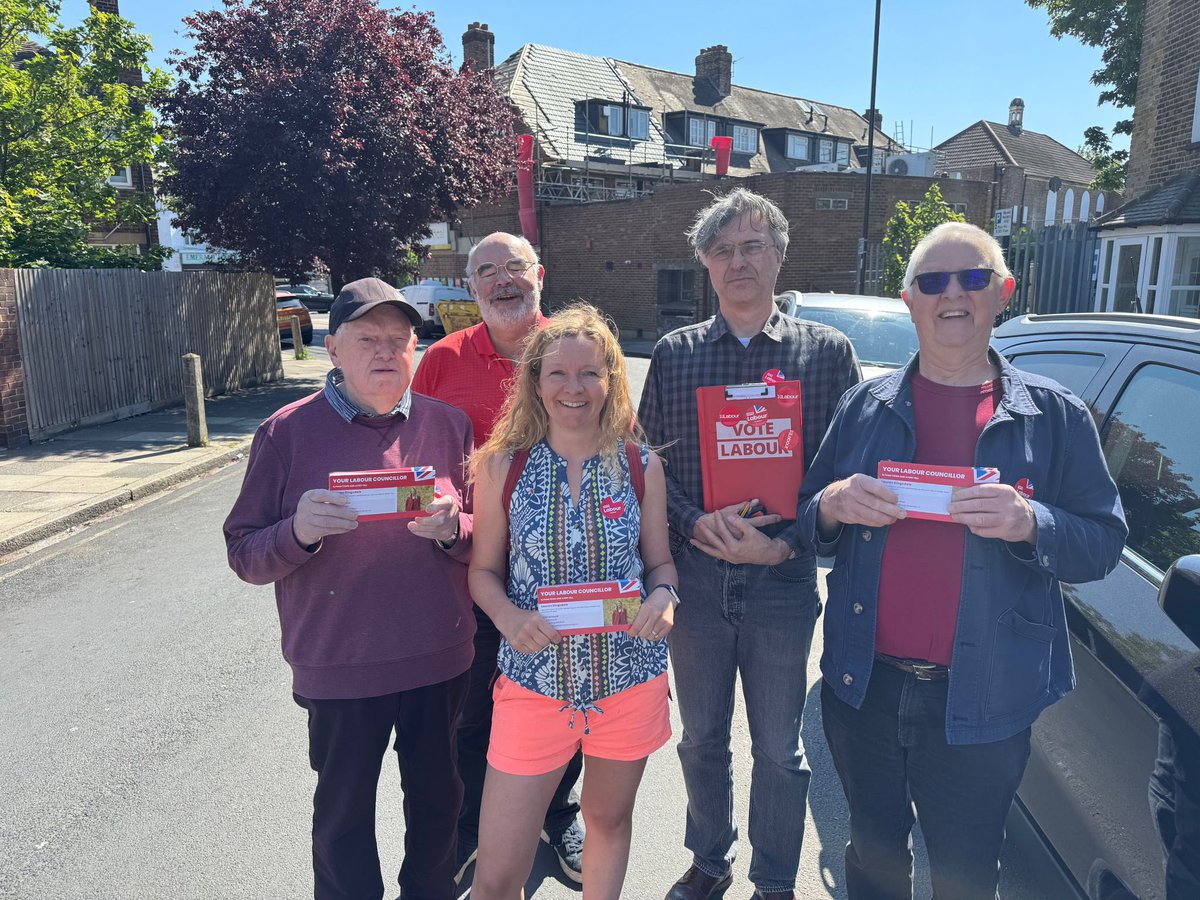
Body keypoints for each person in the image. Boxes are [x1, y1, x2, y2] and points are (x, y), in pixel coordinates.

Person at [797, 221, 1128, 899]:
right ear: (909, 299)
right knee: (872, 854)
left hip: (984, 693)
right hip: (864, 688)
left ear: (1002, 292)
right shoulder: (863, 405)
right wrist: (831, 502)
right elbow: (806, 524)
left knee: (966, 874)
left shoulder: (1055, 416)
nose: (954, 293)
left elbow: (1104, 540)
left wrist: (1032, 521)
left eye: (973, 278)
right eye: (933, 281)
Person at [638, 187, 861, 900]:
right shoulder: (673, 355)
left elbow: (844, 473)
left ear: (779, 255)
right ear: (706, 264)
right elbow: (646, 465)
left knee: (779, 749)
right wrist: (689, 523)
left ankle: (773, 879)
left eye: (753, 246)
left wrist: (789, 545)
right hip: (698, 583)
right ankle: (710, 859)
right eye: (724, 249)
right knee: (701, 740)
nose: (739, 261)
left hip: (782, 585)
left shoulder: (826, 354)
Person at [224, 277, 475, 900]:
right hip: (339, 665)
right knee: (343, 822)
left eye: (399, 338)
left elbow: (483, 537)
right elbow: (244, 552)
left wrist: (454, 529)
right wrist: (297, 533)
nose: (385, 351)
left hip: (438, 658)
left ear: (417, 348)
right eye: (368, 338)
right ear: (333, 348)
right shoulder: (286, 432)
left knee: (440, 808)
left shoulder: (450, 426)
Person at [468, 303, 679, 900]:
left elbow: (661, 563)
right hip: (533, 687)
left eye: (590, 373)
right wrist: (508, 617)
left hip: (627, 681)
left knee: (607, 823)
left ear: (611, 379)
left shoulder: (642, 466)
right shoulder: (501, 467)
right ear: (535, 382)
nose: (574, 387)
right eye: (558, 373)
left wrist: (664, 597)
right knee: (497, 876)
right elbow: (482, 573)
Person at [411, 232, 587, 885]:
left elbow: (619, 441)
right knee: (472, 707)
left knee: (564, 700)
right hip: (467, 568)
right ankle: (468, 827)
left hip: (566, 570)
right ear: (472, 285)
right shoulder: (442, 360)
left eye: (514, 267)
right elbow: (414, 456)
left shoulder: (578, 350)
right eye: (487, 271)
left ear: (539, 273)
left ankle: (559, 812)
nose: (503, 280)